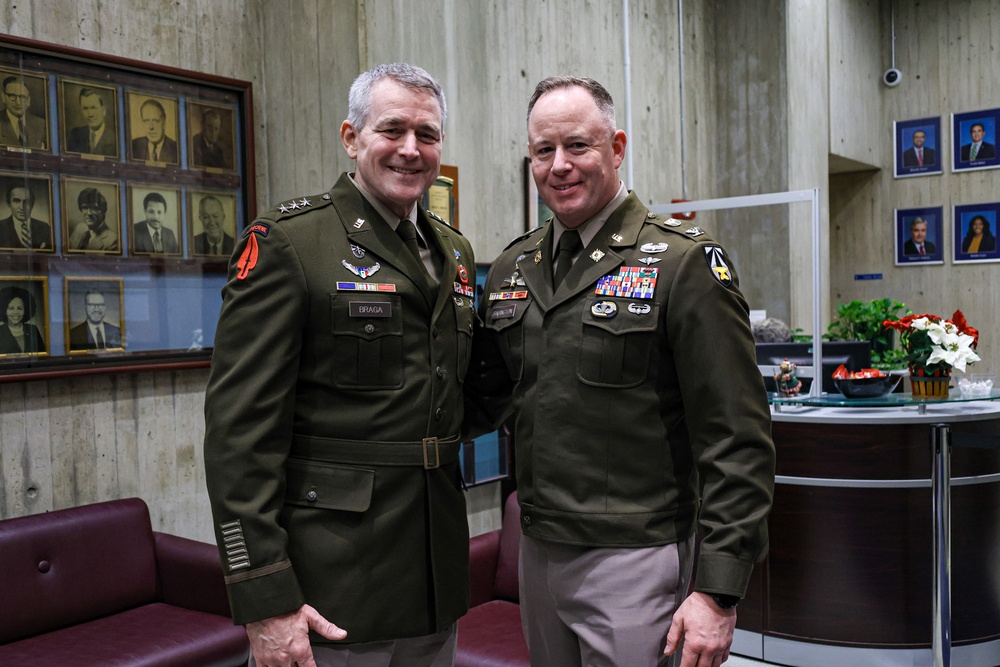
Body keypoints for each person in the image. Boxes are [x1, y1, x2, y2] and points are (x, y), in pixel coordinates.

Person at [464, 76, 775, 667]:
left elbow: (738, 437)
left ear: (617, 147)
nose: (559, 165)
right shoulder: (512, 266)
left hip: (635, 557)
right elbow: (481, 398)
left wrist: (718, 589)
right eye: (542, 150)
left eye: (578, 146)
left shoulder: (682, 264)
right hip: (536, 550)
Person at [204, 63, 475, 667]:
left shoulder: (453, 252)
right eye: (392, 130)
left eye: (427, 135)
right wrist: (265, 600)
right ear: (352, 138)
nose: (411, 149)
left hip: (431, 573)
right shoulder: (289, 242)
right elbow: (239, 437)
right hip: (332, 582)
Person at [0, 76, 47, 150]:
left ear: (29, 100)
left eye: (22, 97)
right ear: (3, 97)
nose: (18, 103)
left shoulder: (41, 124)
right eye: (12, 96)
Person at [66, 87, 117, 156]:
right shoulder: (75, 135)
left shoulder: (115, 139)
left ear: (103, 111)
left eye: (93, 108)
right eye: (85, 108)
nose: (90, 114)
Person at [0, 183, 52, 250]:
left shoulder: (45, 228)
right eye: (16, 201)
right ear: (9, 204)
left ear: (32, 205)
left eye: (26, 202)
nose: (22, 207)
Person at [68, 187, 119, 252]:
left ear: (103, 211)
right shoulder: (79, 228)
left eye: (94, 208)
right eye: (85, 207)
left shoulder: (113, 241)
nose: (89, 213)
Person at [0, 286, 45, 355]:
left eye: (20, 308)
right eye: (11, 308)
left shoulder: (33, 329)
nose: (16, 312)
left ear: (25, 310)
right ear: (4, 310)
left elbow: (42, 356)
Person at [130, 98, 178, 163]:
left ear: (164, 122)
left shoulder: (176, 150)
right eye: (146, 121)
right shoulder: (133, 146)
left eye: (155, 121)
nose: (151, 127)